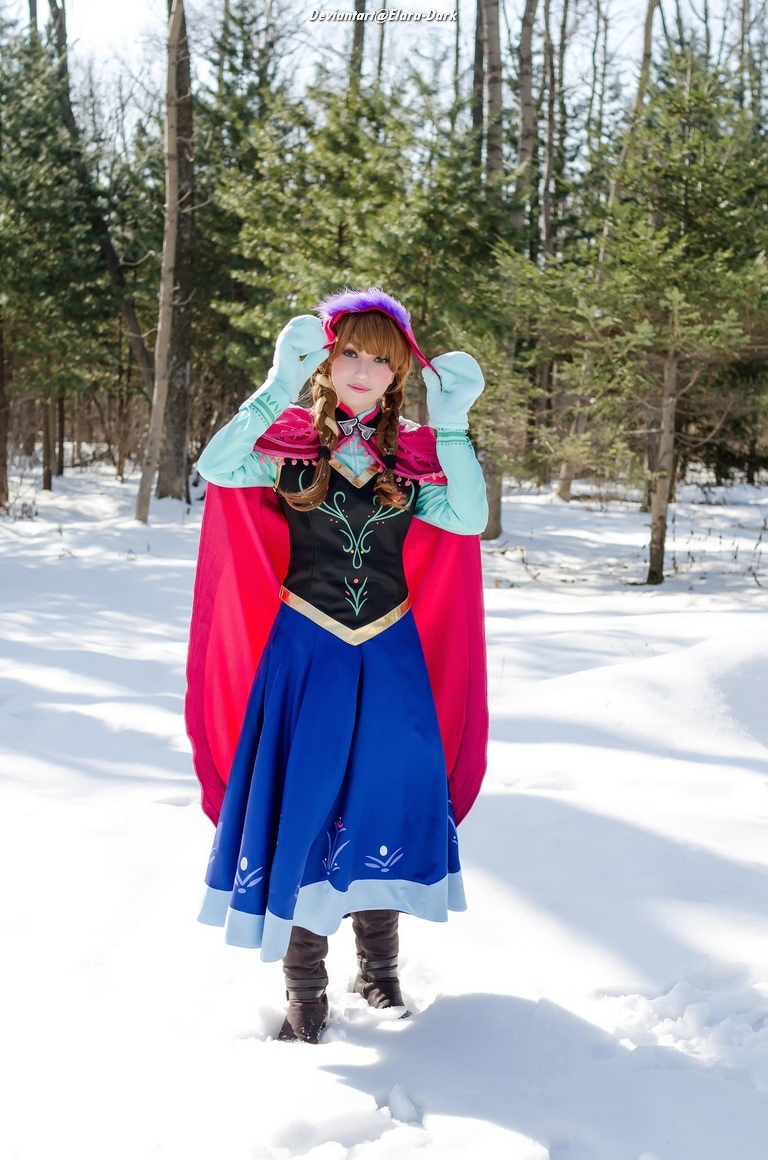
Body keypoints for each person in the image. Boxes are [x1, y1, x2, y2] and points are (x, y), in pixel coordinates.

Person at [186, 288, 489, 1043]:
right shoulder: (291, 440)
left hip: (390, 657)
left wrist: (453, 429)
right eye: (349, 352)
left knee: (379, 803)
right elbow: (216, 468)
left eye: (381, 360)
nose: (363, 370)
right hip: (305, 656)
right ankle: (305, 996)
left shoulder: (416, 451)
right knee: (307, 810)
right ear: (325, 359)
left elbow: (471, 518)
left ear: (399, 373)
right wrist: (273, 388)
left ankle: (380, 973)